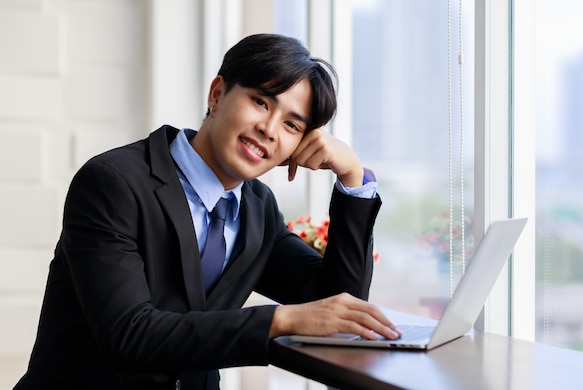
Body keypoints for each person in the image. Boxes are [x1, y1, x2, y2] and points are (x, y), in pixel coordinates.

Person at [14, 33, 400, 390]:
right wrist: (279, 321)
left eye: (291, 125)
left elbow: (338, 304)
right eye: (260, 102)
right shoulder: (113, 182)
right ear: (217, 93)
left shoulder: (257, 209)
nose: (268, 129)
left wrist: (352, 180)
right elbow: (128, 334)